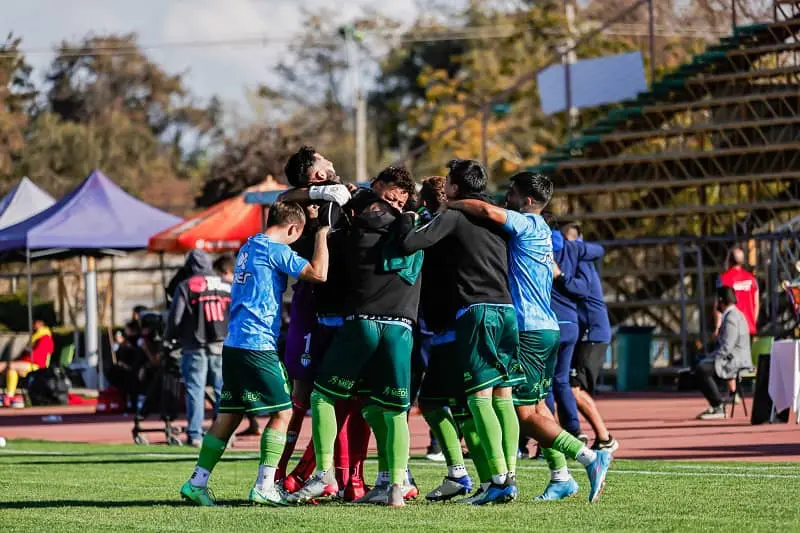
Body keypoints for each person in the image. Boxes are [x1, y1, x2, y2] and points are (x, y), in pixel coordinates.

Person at [448, 171, 613, 503]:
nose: (506, 195)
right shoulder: (545, 231)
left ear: (526, 200)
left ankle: (588, 458)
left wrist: (451, 204)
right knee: (537, 406)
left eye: (511, 191)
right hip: (546, 327)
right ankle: (560, 477)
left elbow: (486, 212)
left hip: (528, 330)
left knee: (521, 413)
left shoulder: (524, 223)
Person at [180, 201, 330, 507]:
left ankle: (197, 482)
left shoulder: (249, 245)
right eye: (295, 236)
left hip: (234, 344)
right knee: (284, 412)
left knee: (230, 415)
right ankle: (264, 485)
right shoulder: (276, 250)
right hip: (256, 344)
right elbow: (319, 273)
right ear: (291, 229)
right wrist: (322, 233)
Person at [288, 170, 422, 508]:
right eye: (394, 197)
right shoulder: (418, 230)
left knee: (322, 398)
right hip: (401, 328)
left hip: (361, 322)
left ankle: (325, 474)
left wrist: (337, 206)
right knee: (393, 409)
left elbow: (325, 245)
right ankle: (394, 486)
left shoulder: (351, 229)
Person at [400, 160, 521, 506]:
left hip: (475, 314)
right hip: (506, 310)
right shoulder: (497, 217)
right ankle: (487, 474)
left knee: (480, 399)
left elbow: (410, 243)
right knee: (497, 396)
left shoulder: (453, 216)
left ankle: (499, 479)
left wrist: (409, 217)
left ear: (454, 187)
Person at [414, 176, 489, 503]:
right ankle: (484, 477)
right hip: (463, 324)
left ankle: (466, 474)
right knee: (463, 408)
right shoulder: (473, 224)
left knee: (431, 400)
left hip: (449, 328)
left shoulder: (436, 228)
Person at [165, 250, 231, 447]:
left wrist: (169, 338)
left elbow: (175, 318)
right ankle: (224, 436)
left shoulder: (186, 286)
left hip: (194, 345)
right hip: (222, 344)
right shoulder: (225, 285)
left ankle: (195, 435)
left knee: (195, 390)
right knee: (222, 391)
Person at [562, 222, 618, 452]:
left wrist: (560, 276)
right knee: (570, 385)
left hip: (592, 332)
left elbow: (582, 288)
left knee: (575, 388)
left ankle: (605, 438)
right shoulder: (575, 257)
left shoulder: (580, 260)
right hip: (585, 331)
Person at [695, 286, 752, 420]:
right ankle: (717, 404)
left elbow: (727, 347)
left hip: (735, 360)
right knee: (702, 366)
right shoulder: (734, 314)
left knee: (702, 369)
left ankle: (718, 406)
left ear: (721, 301)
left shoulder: (731, 317)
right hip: (733, 358)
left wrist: (709, 359)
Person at [716, 246, 759, 400]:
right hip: (748, 324)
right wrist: (752, 321)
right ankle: (741, 388)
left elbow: (719, 303)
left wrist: (717, 325)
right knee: (743, 356)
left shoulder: (724, 278)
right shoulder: (752, 279)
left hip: (732, 324)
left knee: (728, 356)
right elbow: (756, 302)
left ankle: (734, 392)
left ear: (729, 260)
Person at [1, 317, 54, 408]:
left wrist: (23, 360)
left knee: (6, 365)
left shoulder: (45, 338)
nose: (33, 325)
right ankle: (9, 397)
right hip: (29, 363)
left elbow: (38, 357)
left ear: (41, 324)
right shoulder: (36, 337)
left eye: (35, 322)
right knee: (11, 370)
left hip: (37, 366)